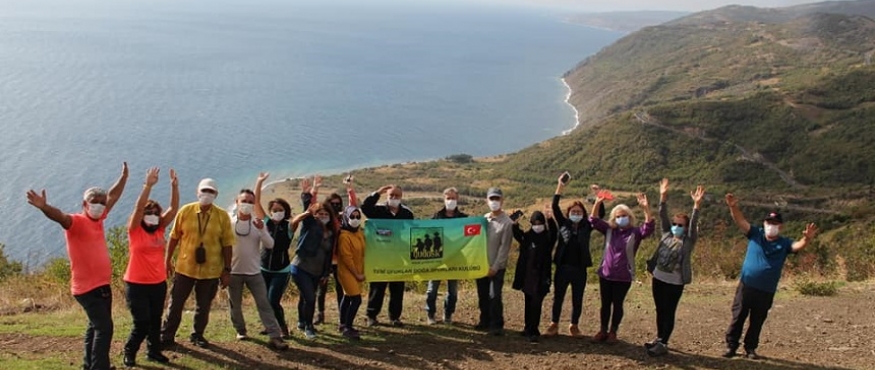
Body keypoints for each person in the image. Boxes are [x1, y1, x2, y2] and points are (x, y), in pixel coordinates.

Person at [26, 162, 128, 370]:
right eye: (94, 202)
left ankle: (88, 364)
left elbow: (113, 196)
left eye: (101, 202)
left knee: (95, 326)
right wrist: (44, 207)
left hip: (101, 286)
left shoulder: (99, 218)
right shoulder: (77, 222)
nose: (99, 205)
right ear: (84, 204)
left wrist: (124, 178)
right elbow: (61, 217)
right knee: (104, 328)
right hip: (87, 289)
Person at [722, 193, 817, 359]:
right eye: (769, 222)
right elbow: (740, 221)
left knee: (757, 320)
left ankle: (750, 348)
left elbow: (797, 246)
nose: (771, 225)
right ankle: (731, 346)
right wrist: (733, 206)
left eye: (775, 223)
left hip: (766, 290)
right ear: (764, 224)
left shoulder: (784, 243)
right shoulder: (755, 234)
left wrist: (806, 239)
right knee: (738, 317)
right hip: (747, 286)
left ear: (780, 227)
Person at [161, 178, 235, 348]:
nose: (206, 194)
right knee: (176, 304)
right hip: (185, 268)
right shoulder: (185, 211)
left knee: (204, 306)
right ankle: (166, 337)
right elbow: (173, 237)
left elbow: (227, 244)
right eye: (204, 191)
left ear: (216, 195)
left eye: (210, 192)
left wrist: (227, 270)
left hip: (211, 270)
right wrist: (167, 261)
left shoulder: (222, 216)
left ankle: (198, 335)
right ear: (197, 192)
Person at [122, 167, 178, 367]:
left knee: (155, 321)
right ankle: (129, 350)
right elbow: (138, 209)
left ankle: (153, 351)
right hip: (136, 284)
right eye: (149, 213)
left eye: (155, 213)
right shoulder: (135, 231)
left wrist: (174, 186)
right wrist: (148, 186)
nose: (153, 216)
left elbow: (173, 208)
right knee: (142, 323)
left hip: (158, 283)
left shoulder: (160, 229)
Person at [644, 179, 704, 357]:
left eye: (680, 225)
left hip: (675, 282)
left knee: (669, 310)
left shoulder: (689, 241)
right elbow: (662, 215)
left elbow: (694, 224)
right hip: (658, 278)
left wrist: (696, 206)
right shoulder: (666, 234)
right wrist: (662, 196)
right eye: (675, 224)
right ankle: (659, 337)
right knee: (660, 309)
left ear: (685, 228)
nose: (676, 227)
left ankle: (663, 343)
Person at [227, 189, 289, 350]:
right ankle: (241, 330)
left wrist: (262, 230)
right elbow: (222, 247)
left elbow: (270, 244)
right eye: (243, 201)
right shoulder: (230, 224)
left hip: (254, 272)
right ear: (237, 202)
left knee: (264, 304)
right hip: (233, 272)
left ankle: (275, 336)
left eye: (250, 201)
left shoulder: (258, 224)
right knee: (235, 304)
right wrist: (223, 270)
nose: (246, 204)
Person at [590, 190, 654, 343]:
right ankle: (603, 331)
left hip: (623, 276)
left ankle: (613, 332)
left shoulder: (635, 233)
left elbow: (649, 228)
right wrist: (598, 202)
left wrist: (646, 209)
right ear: (614, 218)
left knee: (617, 304)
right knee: (605, 304)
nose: (621, 219)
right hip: (606, 274)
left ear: (630, 217)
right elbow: (593, 220)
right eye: (618, 216)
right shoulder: (609, 230)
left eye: (624, 216)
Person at [545, 174, 604, 337]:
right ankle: (554, 324)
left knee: (578, 298)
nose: (576, 213)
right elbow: (555, 206)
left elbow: (601, 215)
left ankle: (574, 325)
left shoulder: (587, 225)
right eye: (573, 211)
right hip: (562, 267)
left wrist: (599, 197)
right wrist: (560, 187)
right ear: (569, 213)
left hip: (580, 268)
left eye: (579, 212)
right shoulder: (564, 223)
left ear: (583, 214)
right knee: (558, 297)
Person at [361, 184, 414, 327]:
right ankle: (371, 316)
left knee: (397, 289)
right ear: (387, 196)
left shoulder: (407, 214)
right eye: (391, 195)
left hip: (399, 257)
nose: (394, 198)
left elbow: (412, 233)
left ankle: (395, 317)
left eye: (397, 196)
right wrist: (377, 192)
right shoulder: (377, 210)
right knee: (377, 288)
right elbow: (364, 207)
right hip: (380, 256)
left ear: (401, 197)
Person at [310, 175, 358, 326]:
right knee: (321, 290)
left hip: (339, 260)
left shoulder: (343, 218)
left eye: (338, 204)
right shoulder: (322, 218)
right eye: (332, 203)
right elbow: (312, 206)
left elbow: (353, 206)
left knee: (340, 290)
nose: (335, 206)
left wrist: (349, 189)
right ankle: (320, 314)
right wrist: (315, 189)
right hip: (324, 260)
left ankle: (342, 318)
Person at [254, 172, 295, 338]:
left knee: (273, 301)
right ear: (270, 212)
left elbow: (300, 218)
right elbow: (256, 202)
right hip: (263, 268)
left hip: (281, 271)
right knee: (263, 301)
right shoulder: (267, 223)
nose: (277, 212)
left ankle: (283, 328)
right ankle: (270, 326)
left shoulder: (289, 226)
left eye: (281, 210)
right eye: (275, 210)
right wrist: (259, 181)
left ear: (285, 212)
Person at [290, 196, 336, 339]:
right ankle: (309, 327)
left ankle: (301, 321)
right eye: (320, 213)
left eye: (326, 214)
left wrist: (326, 273)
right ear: (315, 215)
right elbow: (304, 214)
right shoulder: (310, 225)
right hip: (300, 267)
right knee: (310, 298)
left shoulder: (331, 233)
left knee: (305, 296)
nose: (323, 216)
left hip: (317, 272)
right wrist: (307, 196)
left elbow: (328, 256)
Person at [511, 210, 557, 342]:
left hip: (542, 277)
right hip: (527, 276)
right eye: (535, 223)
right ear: (531, 223)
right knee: (528, 302)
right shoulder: (527, 237)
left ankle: (534, 330)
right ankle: (527, 328)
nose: (537, 225)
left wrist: (551, 220)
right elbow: (517, 234)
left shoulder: (547, 238)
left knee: (536, 304)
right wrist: (515, 222)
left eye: (540, 223)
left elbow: (554, 234)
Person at [425, 187, 469, 325]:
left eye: (453, 198)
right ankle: (430, 314)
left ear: (458, 199)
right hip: (437, 259)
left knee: (453, 292)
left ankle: (448, 314)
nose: (451, 201)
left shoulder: (463, 219)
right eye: (448, 198)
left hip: (456, 259)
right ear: (443, 199)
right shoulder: (436, 217)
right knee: (432, 290)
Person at [476, 187, 513, 336]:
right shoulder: (484, 219)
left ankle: (497, 324)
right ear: (487, 200)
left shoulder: (507, 223)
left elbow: (505, 248)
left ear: (502, 201)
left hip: (497, 267)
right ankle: (484, 321)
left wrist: (495, 267)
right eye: (492, 199)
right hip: (482, 265)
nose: (494, 202)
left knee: (494, 296)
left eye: (497, 199)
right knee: (483, 295)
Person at [337, 206, 366, 339]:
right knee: (356, 299)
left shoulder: (358, 232)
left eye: (357, 217)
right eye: (352, 217)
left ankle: (342, 323)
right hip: (347, 271)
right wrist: (357, 274)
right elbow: (347, 258)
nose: (355, 219)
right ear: (346, 217)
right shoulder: (344, 236)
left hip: (357, 269)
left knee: (347, 297)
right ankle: (348, 327)